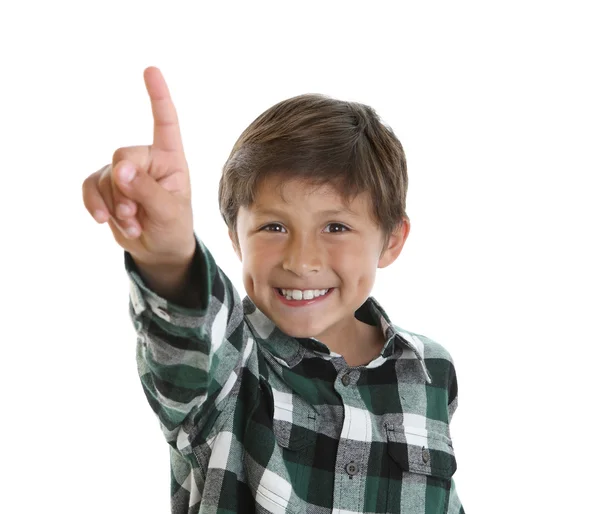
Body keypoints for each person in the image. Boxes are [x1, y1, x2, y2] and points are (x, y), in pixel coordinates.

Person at [82, 66, 464, 514]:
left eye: (336, 226)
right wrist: (169, 257)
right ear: (234, 235)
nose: (301, 261)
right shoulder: (229, 363)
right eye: (274, 226)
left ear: (392, 240)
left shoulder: (430, 370)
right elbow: (187, 334)